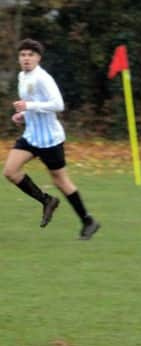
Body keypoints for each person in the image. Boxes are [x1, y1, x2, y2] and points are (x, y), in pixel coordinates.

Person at [3, 39, 100, 240]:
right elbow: (34, 105)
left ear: (38, 58)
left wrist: (29, 107)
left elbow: (58, 104)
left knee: (61, 181)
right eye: (23, 55)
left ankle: (88, 220)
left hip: (49, 140)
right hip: (31, 136)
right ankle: (46, 201)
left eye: (31, 55)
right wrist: (23, 115)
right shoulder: (22, 76)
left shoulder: (43, 78)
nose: (26, 58)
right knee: (10, 171)